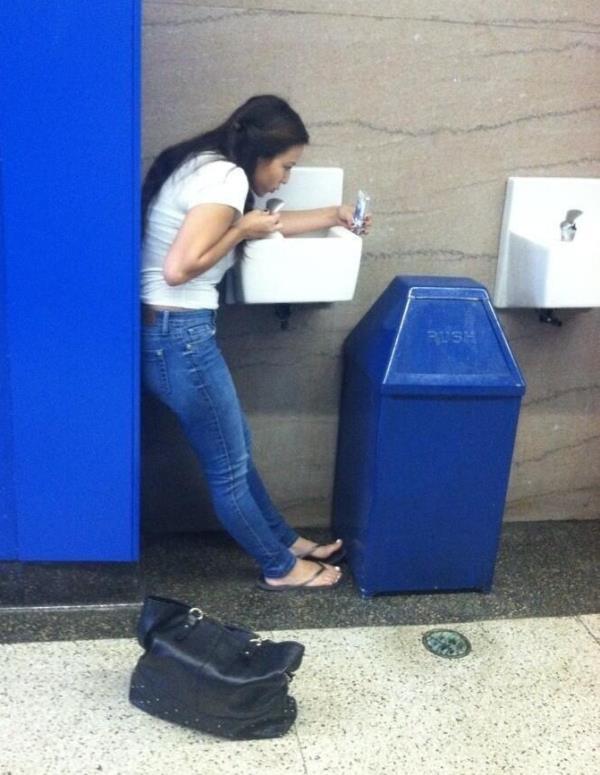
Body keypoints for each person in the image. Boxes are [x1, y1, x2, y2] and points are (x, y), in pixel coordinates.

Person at [141, 94, 370, 591]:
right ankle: (280, 567)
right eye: (286, 167)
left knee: (236, 447)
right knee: (228, 467)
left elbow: (269, 223)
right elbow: (179, 269)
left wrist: (335, 214)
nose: (285, 178)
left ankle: (283, 540)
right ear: (261, 154)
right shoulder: (226, 178)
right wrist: (241, 227)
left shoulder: (204, 165)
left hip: (170, 335)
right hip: (179, 336)